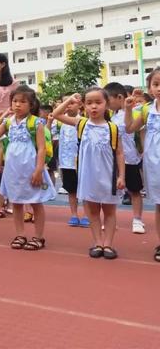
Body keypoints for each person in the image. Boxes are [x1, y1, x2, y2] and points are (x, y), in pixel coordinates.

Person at [54, 89, 125, 260]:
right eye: (89, 103)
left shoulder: (112, 128)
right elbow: (56, 114)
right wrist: (70, 99)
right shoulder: (81, 123)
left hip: (108, 177)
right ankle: (98, 243)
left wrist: (121, 176)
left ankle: (108, 244)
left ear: (106, 104)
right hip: (88, 176)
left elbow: (120, 154)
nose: (94, 106)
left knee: (109, 212)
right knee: (92, 212)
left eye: (98, 102)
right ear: (84, 106)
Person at [0, 86, 56, 251]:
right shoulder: (8, 122)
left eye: (22, 101)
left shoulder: (36, 123)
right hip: (13, 170)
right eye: (15, 101)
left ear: (31, 105)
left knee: (36, 202)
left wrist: (39, 170)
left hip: (31, 169)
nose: (17, 104)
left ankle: (39, 236)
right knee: (16, 203)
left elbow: (41, 148)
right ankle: (20, 234)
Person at [125, 68, 160, 263]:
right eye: (155, 84)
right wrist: (129, 108)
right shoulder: (147, 109)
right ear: (150, 88)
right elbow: (130, 128)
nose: (159, 88)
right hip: (154, 163)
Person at [105, 82, 145, 234]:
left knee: (135, 190)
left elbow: (140, 132)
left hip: (131, 158)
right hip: (114, 161)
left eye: (108, 100)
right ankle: (111, 219)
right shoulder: (111, 117)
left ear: (119, 97)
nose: (106, 104)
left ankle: (137, 219)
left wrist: (143, 152)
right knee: (113, 191)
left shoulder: (134, 112)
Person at [56, 94, 90, 228]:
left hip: (81, 162)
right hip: (66, 162)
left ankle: (87, 215)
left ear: (80, 105)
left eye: (71, 103)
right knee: (71, 190)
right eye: (65, 103)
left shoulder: (84, 121)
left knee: (85, 190)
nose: (68, 105)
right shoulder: (62, 123)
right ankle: (74, 214)